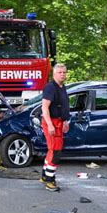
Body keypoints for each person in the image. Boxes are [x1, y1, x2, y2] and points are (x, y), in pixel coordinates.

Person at [39, 63, 70, 192]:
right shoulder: (50, 87)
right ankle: (50, 181)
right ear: (54, 74)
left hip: (59, 122)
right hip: (51, 122)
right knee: (56, 152)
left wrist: (65, 121)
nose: (62, 74)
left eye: (64, 72)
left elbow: (62, 106)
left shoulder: (62, 87)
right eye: (60, 72)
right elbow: (44, 107)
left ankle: (44, 176)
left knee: (52, 150)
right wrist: (50, 125)